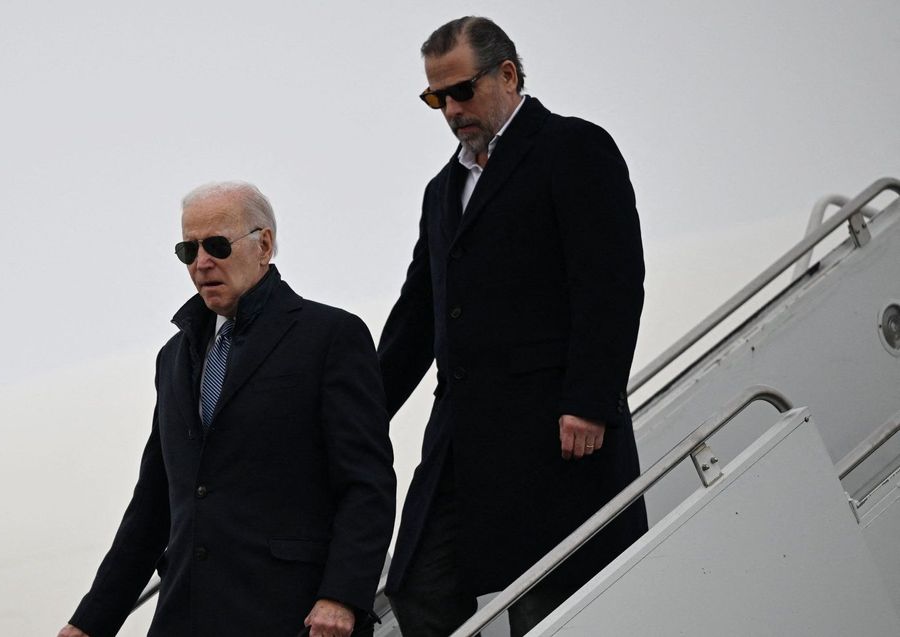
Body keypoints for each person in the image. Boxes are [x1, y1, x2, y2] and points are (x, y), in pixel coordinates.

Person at [378, 17, 648, 636]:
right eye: (435, 98)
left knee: (545, 603)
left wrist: (589, 398)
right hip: (461, 435)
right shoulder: (441, 191)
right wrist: (356, 411)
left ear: (507, 74)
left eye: (461, 91)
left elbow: (611, 282)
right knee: (416, 584)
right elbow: (417, 316)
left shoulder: (574, 148)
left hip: (555, 429)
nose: (450, 109)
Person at [58, 182, 396, 637]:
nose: (201, 263)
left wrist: (342, 595)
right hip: (185, 615)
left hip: (291, 616)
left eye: (216, 245)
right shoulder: (173, 358)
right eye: (188, 250)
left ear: (265, 245)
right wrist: (90, 622)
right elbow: (153, 506)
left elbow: (366, 482)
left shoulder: (330, 336)